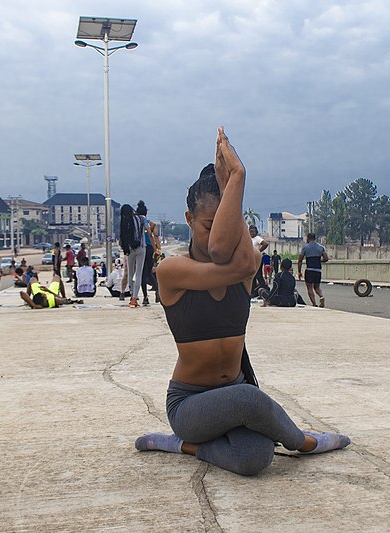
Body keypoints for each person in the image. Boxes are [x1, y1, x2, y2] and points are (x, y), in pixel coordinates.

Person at [135, 128, 350, 476]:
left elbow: (226, 251)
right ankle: (305, 442)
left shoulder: (247, 264)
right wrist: (236, 175)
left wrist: (231, 187)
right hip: (190, 404)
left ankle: (183, 447)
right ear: (189, 220)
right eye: (208, 224)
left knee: (253, 460)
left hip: (233, 392)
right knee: (251, 399)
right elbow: (227, 257)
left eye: (228, 224)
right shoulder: (171, 271)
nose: (216, 233)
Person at [120, 203, 156, 308]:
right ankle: (135, 298)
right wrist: (154, 247)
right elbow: (149, 232)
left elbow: (123, 237)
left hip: (130, 249)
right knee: (139, 273)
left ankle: (131, 296)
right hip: (141, 248)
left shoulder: (125, 221)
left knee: (131, 273)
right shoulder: (142, 218)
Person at [136, 200, 162, 306]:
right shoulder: (152, 224)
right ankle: (157, 290)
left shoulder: (136, 223)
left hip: (140, 248)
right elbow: (155, 236)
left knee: (142, 274)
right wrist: (157, 248)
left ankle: (145, 297)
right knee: (150, 272)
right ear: (146, 213)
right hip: (150, 248)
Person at [297, 233, 329, 308]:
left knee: (309, 287)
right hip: (318, 270)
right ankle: (321, 296)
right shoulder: (321, 247)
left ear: (308, 238)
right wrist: (319, 261)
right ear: (315, 238)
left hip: (309, 270)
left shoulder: (305, 247)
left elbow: (300, 260)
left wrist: (299, 271)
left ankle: (314, 304)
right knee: (317, 287)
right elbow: (326, 258)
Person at [249, 225, 269, 296]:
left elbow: (265, 244)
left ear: (256, 232)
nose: (252, 233)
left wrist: (258, 251)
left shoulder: (257, 238)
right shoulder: (249, 239)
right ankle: (253, 291)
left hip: (257, 259)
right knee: (252, 275)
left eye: (253, 232)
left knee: (258, 275)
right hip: (251, 259)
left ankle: (264, 290)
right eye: (250, 231)